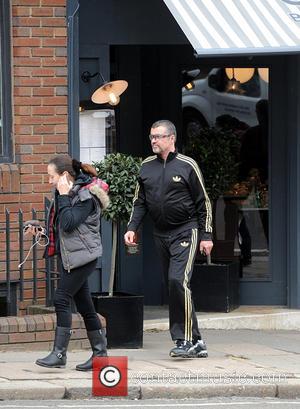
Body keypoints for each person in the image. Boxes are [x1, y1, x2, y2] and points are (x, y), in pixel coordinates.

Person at [124, 119, 213, 358]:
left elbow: (203, 202)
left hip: (187, 230)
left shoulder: (187, 165)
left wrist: (207, 235)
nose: (153, 140)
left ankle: (183, 340)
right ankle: (197, 341)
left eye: (158, 136)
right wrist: (132, 227)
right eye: (151, 136)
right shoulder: (146, 166)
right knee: (175, 287)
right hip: (160, 233)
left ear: (171, 138)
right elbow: (139, 202)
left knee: (177, 281)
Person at [26, 154, 109, 370]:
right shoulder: (68, 194)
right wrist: (41, 231)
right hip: (72, 256)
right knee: (85, 306)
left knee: (61, 298)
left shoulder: (85, 196)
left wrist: (62, 196)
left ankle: (59, 354)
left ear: (64, 175)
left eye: (51, 176)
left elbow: (70, 223)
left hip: (83, 257)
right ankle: (100, 355)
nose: (49, 181)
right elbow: (62, 228)